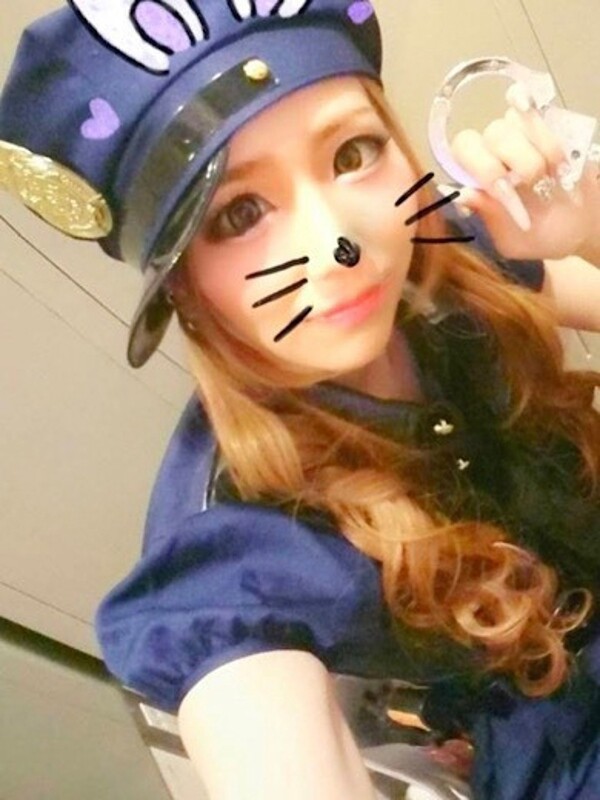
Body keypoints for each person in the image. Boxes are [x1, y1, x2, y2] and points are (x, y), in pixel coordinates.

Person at [1, 1, 599, 798]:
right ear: (182, 286)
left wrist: (587, 227)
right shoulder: (236, 536)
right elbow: (251, 710)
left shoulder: (444, 256)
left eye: (353, 152)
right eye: (240, 213)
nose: (337, 245)